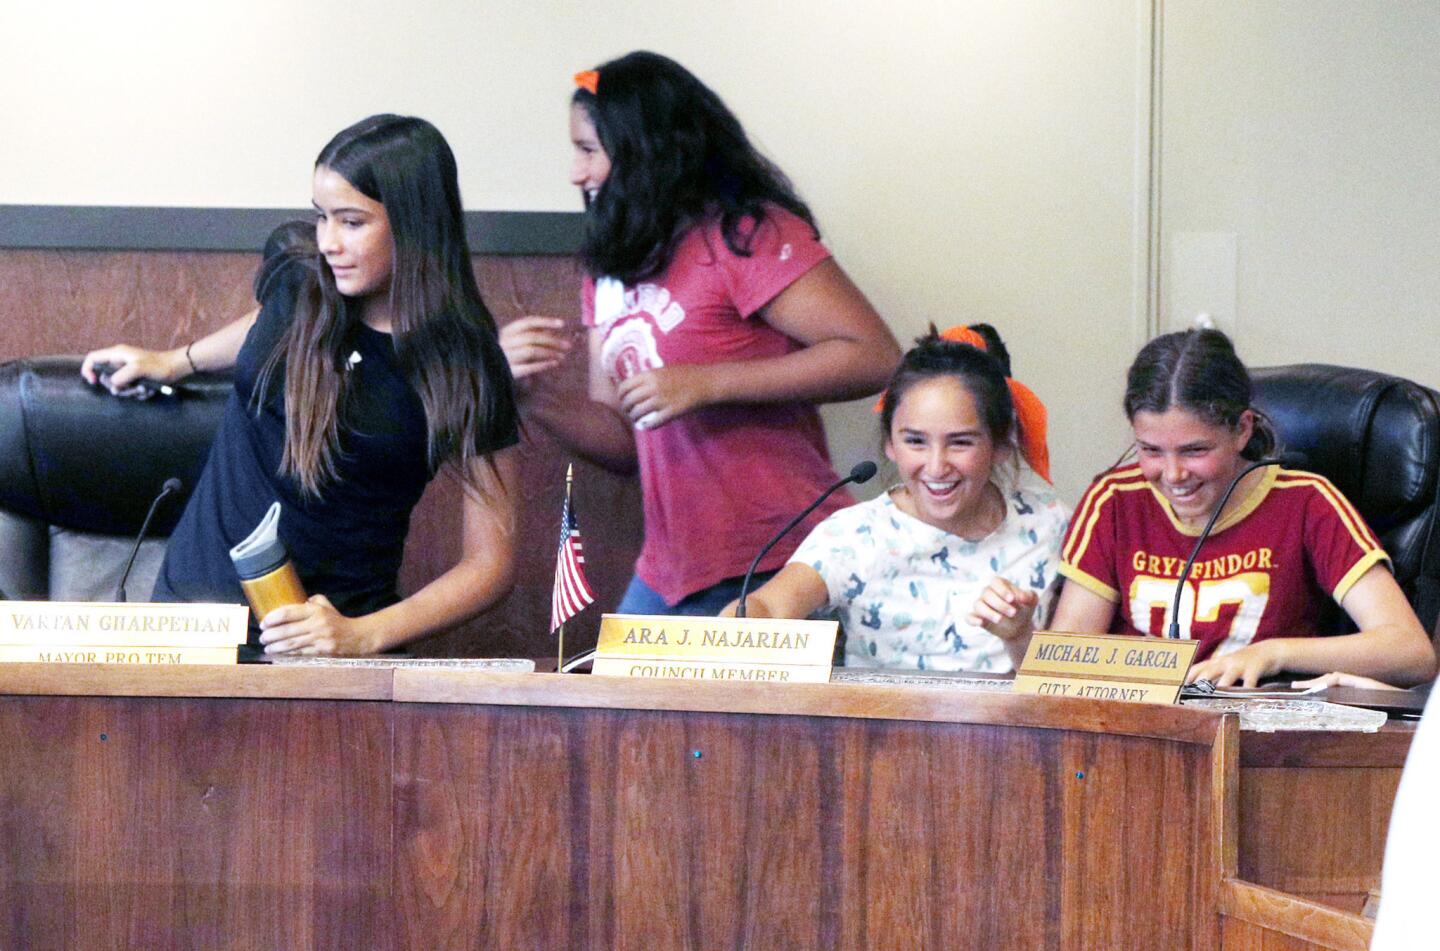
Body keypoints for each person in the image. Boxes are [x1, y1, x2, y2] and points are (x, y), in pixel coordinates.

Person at [81, 114, 521, 656]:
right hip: (191, 623)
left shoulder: (465, 363)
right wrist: (176, 361)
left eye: (353, 222)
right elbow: (266, 327)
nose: (329, 242)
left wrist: (363, 634)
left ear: (414, 224)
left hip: (328, 649)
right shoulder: (298, 279)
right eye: (322, 217)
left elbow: (490, 563)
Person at [499, 51, 901, 617]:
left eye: (589, 150)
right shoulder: (609, 265)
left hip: (781, 557)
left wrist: (706, 383)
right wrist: (529, 393)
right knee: (618, 706)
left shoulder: (746, 234)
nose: (575, 173)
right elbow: (622, 442)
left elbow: (876, 356)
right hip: (668, 570)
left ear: (648, 151)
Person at [984, 328, 1436, 687]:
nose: (1174, 474)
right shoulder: (1115, 501)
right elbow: (1063, 672)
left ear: (1242, 430)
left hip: (1257, 744)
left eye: (1195, 450)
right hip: (1135, 743)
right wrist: (1020, 636)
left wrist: (1274, 652)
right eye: (1151, 450)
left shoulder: (1305, 501)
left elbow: (1410, 652)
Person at [724, 326, 1070, 672]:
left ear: (1000, 446)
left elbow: (1066, 685)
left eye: (961, 442)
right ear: (890, 443)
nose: (936, 467)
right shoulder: (854, 535)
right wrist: (737, 627)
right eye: (915, 442)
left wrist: (1019, 636)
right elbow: (767, 609)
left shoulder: (1052, 524)